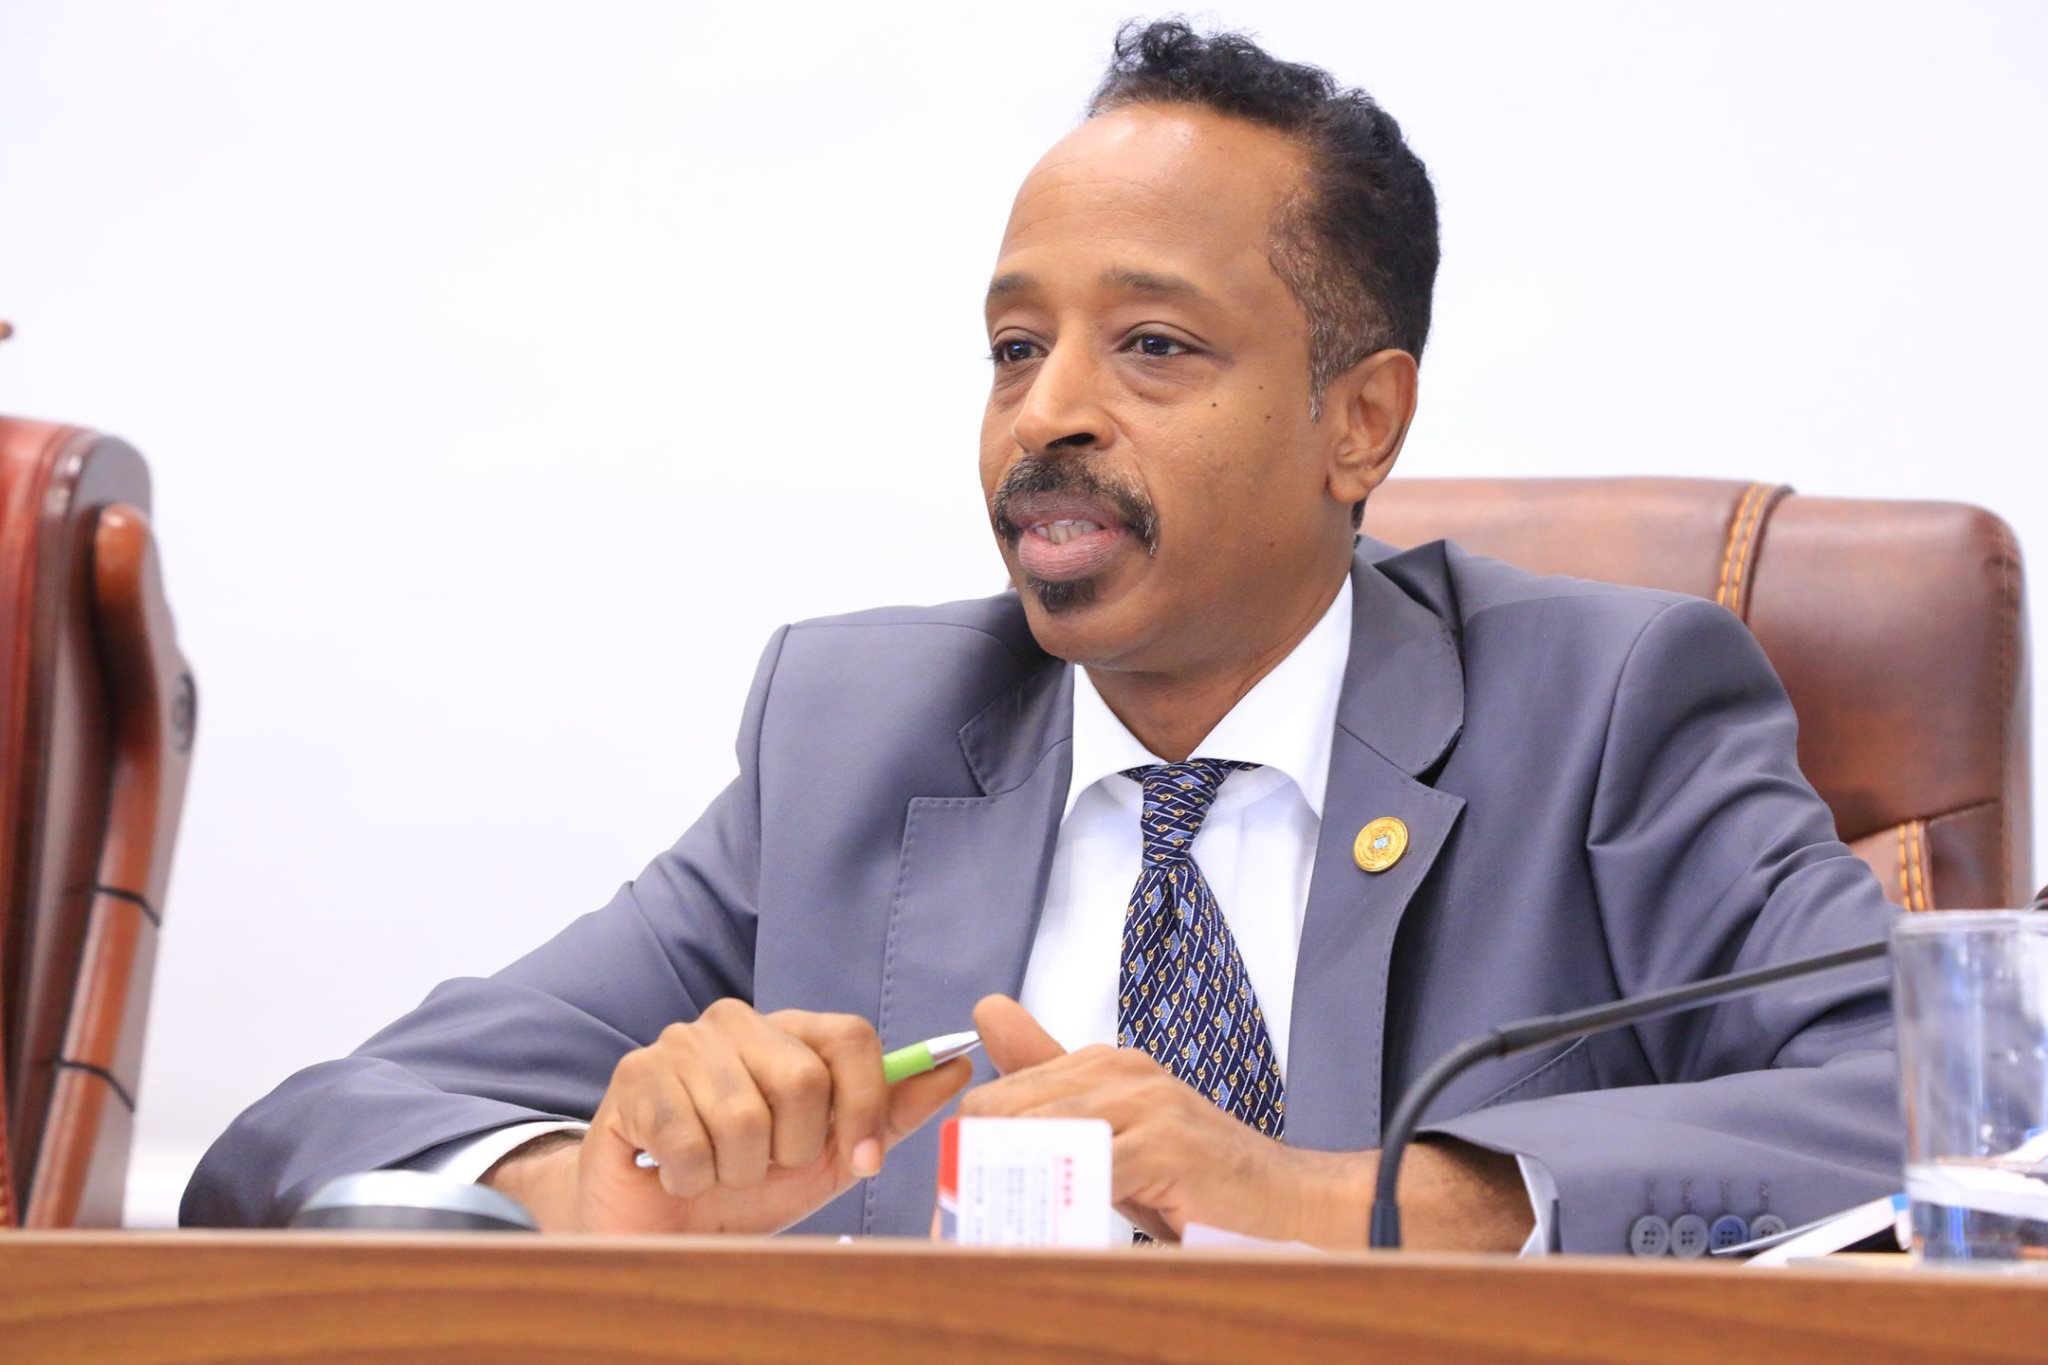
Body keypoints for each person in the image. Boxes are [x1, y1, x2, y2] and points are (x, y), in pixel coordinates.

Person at [183, 20, 1900, 1254]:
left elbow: (1953, 1101)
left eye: (1152, 346)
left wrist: (1332, 1196)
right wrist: (594, 1191)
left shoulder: (1603, 712)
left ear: (1359, 421)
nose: (1047, 414)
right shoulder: (857, 733)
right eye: (1015, 347)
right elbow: (302, 1136)